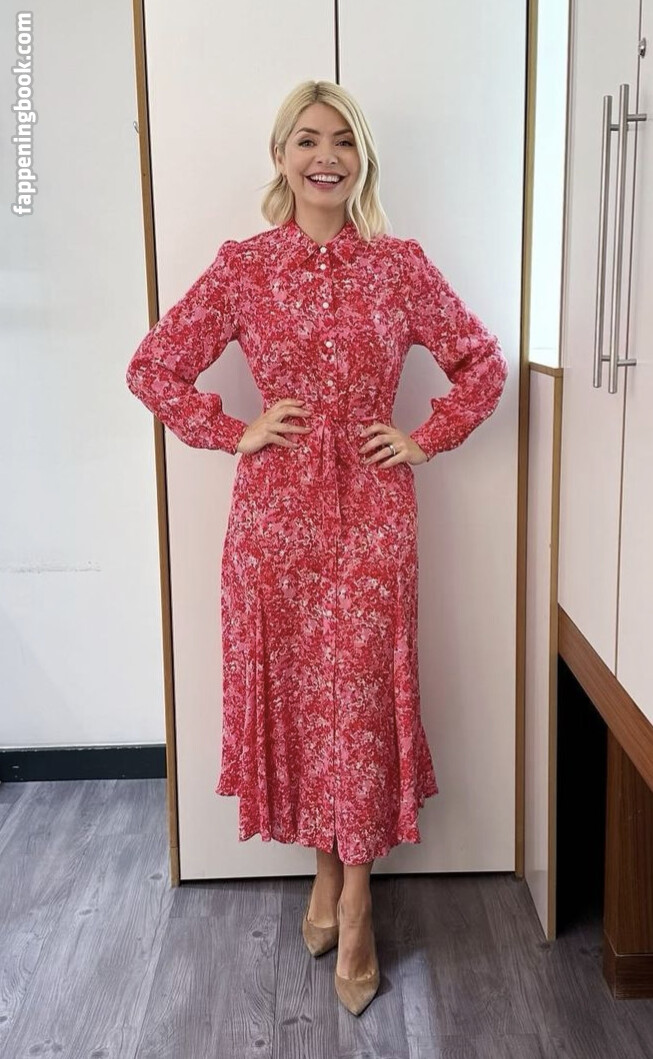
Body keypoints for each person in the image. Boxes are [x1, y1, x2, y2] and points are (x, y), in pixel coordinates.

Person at [125, 79, 508, 1016]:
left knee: (361, 702)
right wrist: (235, 430)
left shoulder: (399, 267)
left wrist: (424, 436)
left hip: (373, 514)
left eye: (341, 139)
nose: (324, 155)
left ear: (361, 157)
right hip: (274, 521)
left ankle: (360, 893)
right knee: (300, 696)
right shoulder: (244, 267)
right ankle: (323, 869)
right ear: (281, 156)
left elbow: (481, 363)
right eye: (306, 139)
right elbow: (153, 366)